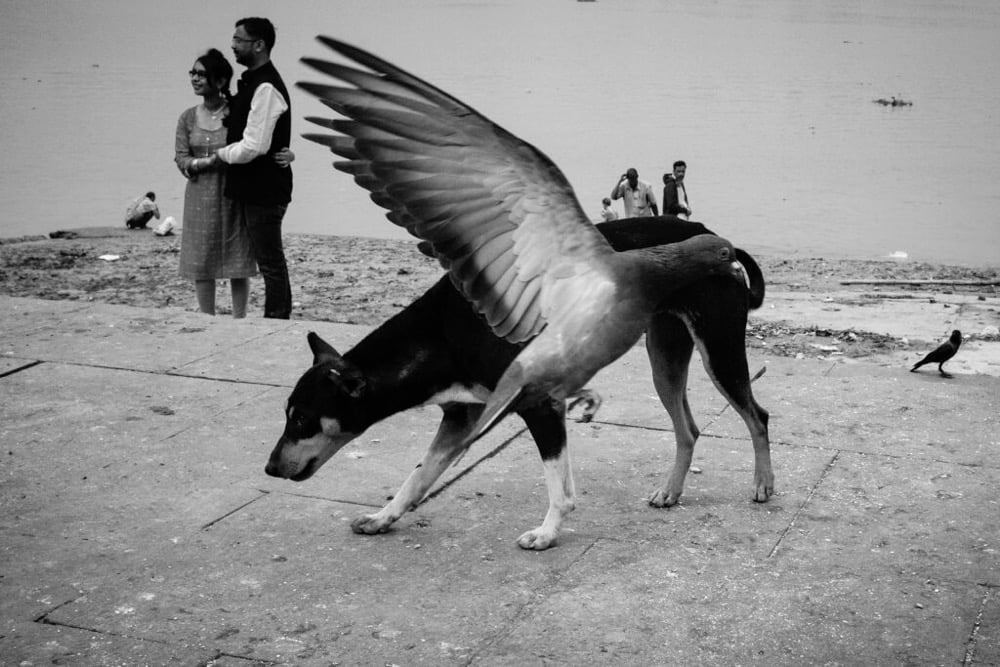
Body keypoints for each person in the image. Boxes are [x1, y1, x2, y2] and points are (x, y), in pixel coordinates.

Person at [202, 17, 294, 319]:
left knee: (270, 261)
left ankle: (277, 320)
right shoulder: (254, 82)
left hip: (264, 189)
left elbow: (255, 146)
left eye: (239, 40)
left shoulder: (266, 86)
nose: (233, 45)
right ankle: (276, 318)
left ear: (259, 45)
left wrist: (220, 155)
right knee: (266, 259)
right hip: (255, 187)